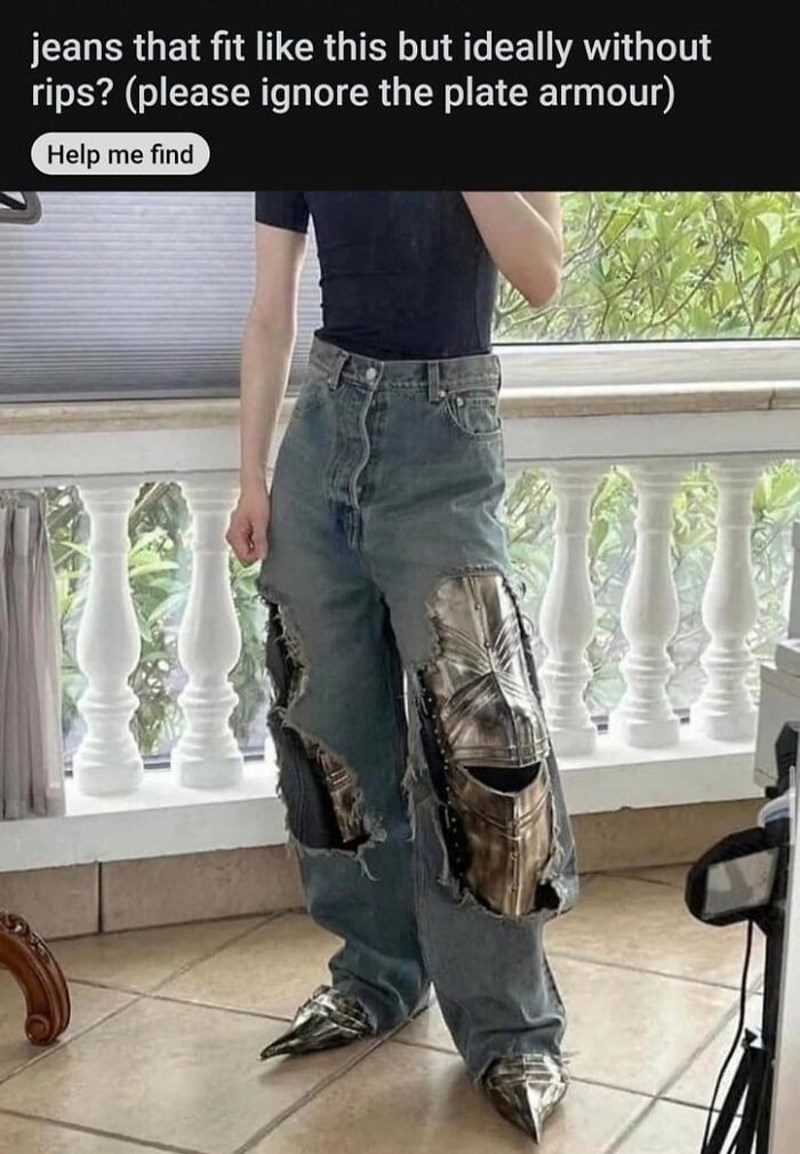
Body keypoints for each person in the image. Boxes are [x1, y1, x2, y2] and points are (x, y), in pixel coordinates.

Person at [226, 191, 579, 1144]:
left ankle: (511, 1028)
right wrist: (251, 475)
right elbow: (270, 310)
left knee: (485, 743)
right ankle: (376, 975)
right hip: (323, 436)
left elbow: (541, 276)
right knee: (327, 729)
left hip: (447, 438)